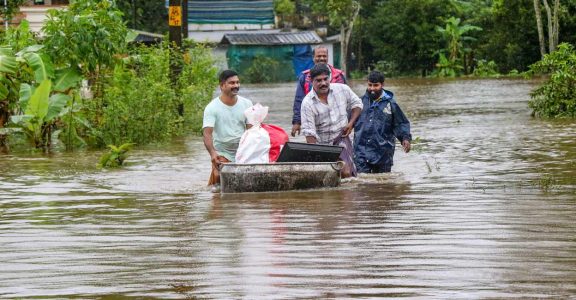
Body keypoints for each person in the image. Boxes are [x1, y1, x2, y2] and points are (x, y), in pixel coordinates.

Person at [300, 63, 363, 177]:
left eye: (325, 79)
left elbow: (357, 104)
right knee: (327, 176)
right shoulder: (307, 103)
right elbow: (310, 135)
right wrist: (317, 160)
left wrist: (350, 123)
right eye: (318, 80)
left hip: (342, 138)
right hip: (322, 145)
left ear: (330, 78)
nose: (323, 83)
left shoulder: (342, 89)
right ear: (311, 81)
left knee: (345, 172)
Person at [353, 70, 412, 173]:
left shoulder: (391, 104)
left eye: (375, 85)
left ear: (382, 84)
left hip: (383, 153)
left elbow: (400, 123)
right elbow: (348, 123)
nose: (372, 89)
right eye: (370, 85)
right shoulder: (359, 103)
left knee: (382, 186)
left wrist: (405, 139)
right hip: (361, 152)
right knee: (361, 185)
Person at [203, 70, 253, 186]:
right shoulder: (212, 108)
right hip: (222, 152)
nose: (236, 86)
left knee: (243, 185)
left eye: (237, 82)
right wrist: (213, 154)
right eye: (232, 83)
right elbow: (207, 134)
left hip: (242, 151)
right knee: (218, 183)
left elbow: (252, 130)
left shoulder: (247, 104)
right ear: (222, 86)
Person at [291, 46, 347, 137]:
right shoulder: (305, 77)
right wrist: (297, 122)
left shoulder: (339, 75)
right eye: (318, 56)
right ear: (313, 58)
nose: (321, 58)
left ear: (328, 57)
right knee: (315, 147)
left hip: (338, 123)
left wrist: (350, 123)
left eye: (324, 56)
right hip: (314, 121)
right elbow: (299, 100)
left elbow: (347, 100)